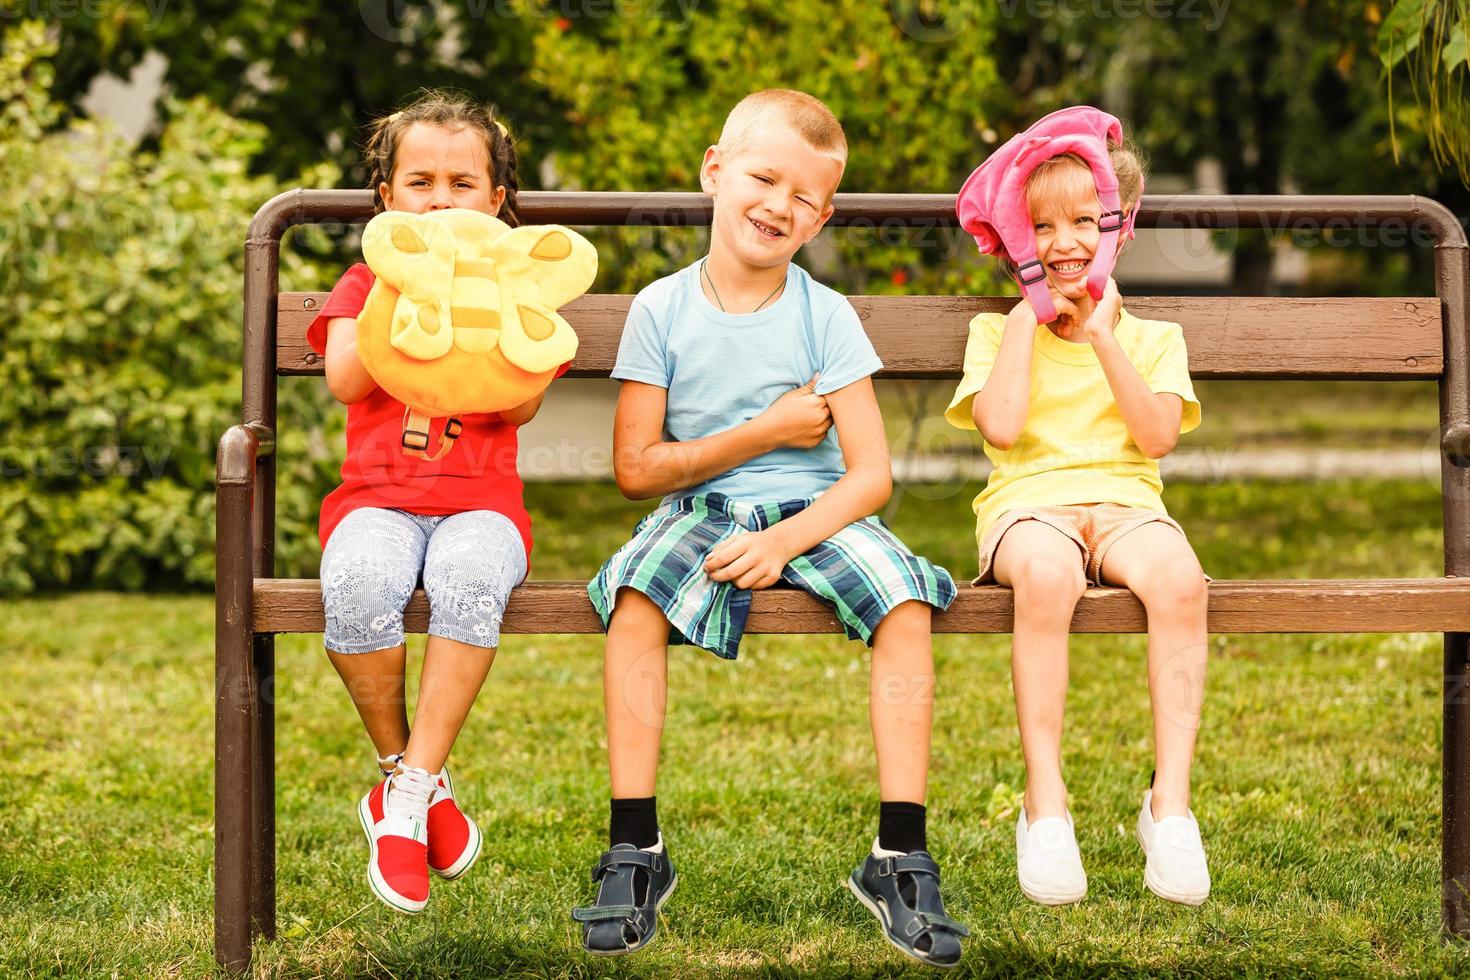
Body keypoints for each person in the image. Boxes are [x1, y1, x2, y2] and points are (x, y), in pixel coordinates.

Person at [567, 89, 966, 967]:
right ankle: (636, 847)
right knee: (635, 601)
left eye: (804, 197)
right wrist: (765, 432)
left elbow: (871, 476)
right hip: (699, 511)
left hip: (815, 513)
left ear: (822, 215)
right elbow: (637, 468)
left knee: (904, 602)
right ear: (715, 169)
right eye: (762, 177)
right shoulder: (661, 309)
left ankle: (900, 854)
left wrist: (786, 540)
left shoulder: (825, 315)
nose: (778, 205)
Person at [945, 108, 1211, 907]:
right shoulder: (996, 334)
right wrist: (1030, 319)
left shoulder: (1154, 336)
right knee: (1049, 578)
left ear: (1118, 228)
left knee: (1182, 583)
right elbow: (997, 425)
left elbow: (1157, 435)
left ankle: (1170, 806)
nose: (1064, 241)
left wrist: (1101, 337)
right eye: (1041, 227)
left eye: (1083, 222)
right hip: (1029, 509)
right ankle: (1046, 803)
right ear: (1018, 241)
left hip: (1128, 504)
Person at [305, 89, 557, 915]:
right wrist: (403, 281)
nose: (441, 200)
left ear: (496, 201)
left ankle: (411, 787)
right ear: (387, 201)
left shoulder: (518, 292)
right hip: (374, 500)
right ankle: (406, 782)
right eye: (419, 183)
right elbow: (346, 376)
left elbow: (518, 404)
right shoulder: (362, 280)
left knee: (469, 580)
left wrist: (479, 302)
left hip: (480, 505)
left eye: (461, 183)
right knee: (359, 584)